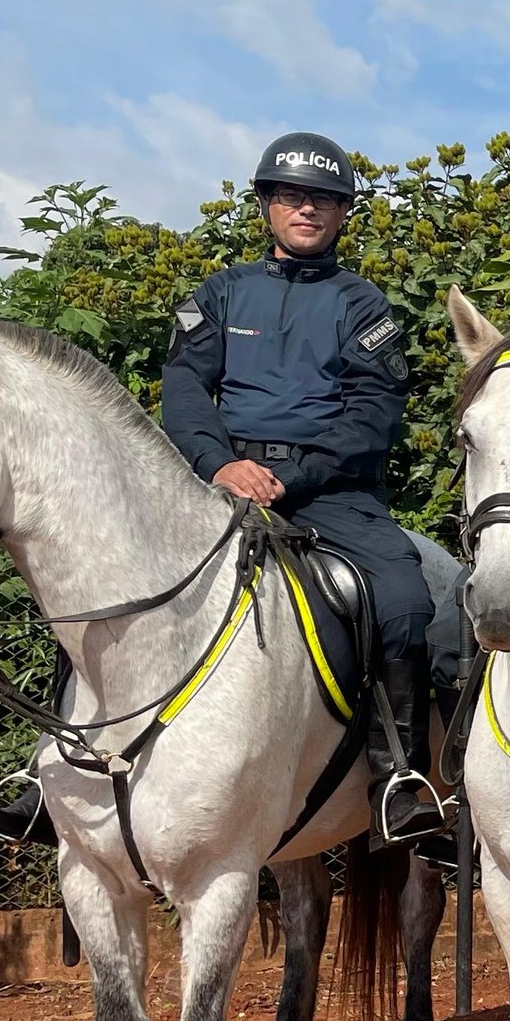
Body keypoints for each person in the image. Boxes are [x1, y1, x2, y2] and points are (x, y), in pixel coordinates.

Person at [154, 131, 443, 838]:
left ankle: (399, 777)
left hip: (331, 492)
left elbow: (371, 417)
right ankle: (50, 768)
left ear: (343, 212)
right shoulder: (221, 293)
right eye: (290, 194)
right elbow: (185, 387)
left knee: (405, 599)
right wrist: (219, 465)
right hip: (223, 481)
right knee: (111, 567)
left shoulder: (364, 305)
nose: (306, 208)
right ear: (266, 205)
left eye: (323, 198)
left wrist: (287, 478)